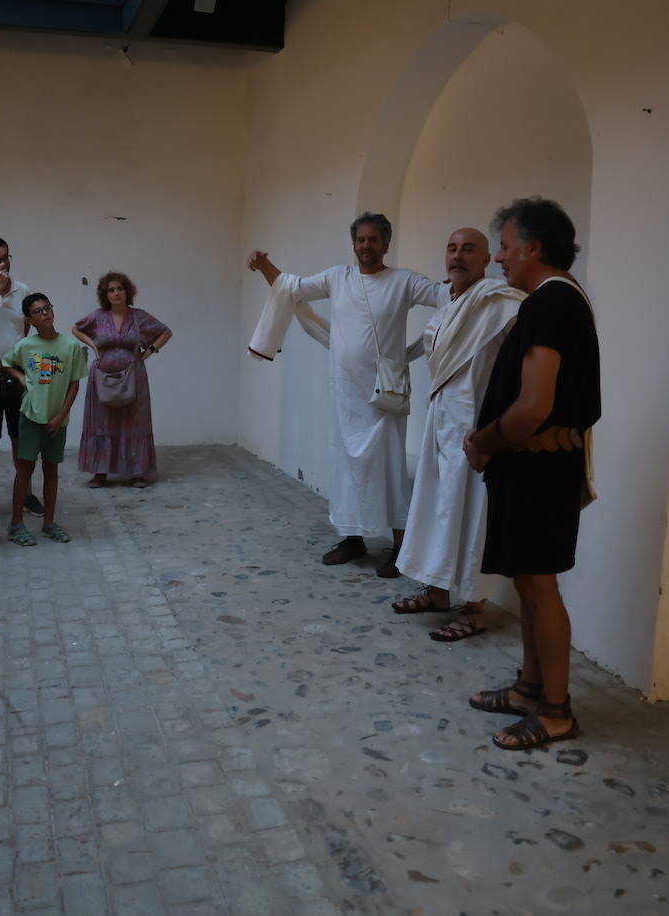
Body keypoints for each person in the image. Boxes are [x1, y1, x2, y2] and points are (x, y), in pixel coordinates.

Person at [463, 197, 600, 750]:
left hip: (540, 470)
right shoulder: (554, 301)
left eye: (504, 245)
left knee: (541, 588)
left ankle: (557, 710)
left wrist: (484, 442)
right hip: (533, 468)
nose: (499, 257)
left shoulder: (550, 303)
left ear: (534, 247)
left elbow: (533, 407)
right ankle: (528, 689)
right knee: (528, 583)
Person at [247, 213, 447, 576]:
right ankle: (352, 537)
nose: (366, 246)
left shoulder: (403, 281)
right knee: (346, 466)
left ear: (386, 244)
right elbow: (290, 289)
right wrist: (264, 266)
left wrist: (466, 282)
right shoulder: (337, 277)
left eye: (374, 240)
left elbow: (444, 297)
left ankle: (401, 545)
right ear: (354, 244)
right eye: (361, 240)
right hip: (345, 393)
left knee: (389, 468)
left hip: (385, 394)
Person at [391, 229, 524, 641]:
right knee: (437, 505)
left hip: (477, 427)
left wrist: (499, 428)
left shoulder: (500, 304)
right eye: (451, 248)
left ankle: (474, 607)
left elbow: (520, 365)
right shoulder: (448, 304)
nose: (458, 256)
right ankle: (437, 591)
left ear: (486, 259)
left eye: (469, 249)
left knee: (470, 510)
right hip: (441, 419)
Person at [2, 293, 88, 546]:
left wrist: (61, 416)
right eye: (38, 311)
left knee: (51, 471)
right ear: (29, 319)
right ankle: (16, 524)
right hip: (31, 416)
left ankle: (49, 522)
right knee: (25, 470)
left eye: (47, 308)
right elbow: (7, 363)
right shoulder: (26, 346)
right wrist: (22, 380)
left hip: (56, 421)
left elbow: (74, 385)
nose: (45, 314)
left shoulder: (70, 347)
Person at [72, 271, 172, 488]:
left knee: (134, 422)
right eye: (111, 290)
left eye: (120, 288)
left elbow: (165, 332)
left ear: (127, 291)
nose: (116, 293)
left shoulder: (139, 317)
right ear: (105, 295)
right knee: (101, 421)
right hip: (102, 377)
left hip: (134, 376)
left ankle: (136, 472)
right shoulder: (98, 316)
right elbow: (76, 328)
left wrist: (149, 351)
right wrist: (93, 344)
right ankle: (100, 471)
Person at [0, 235, 44, 517]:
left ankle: (26, 492)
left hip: (16, 376)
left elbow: (25, 328)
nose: (2, 263)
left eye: (6, 257)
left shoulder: (23, 289)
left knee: (21, 437)